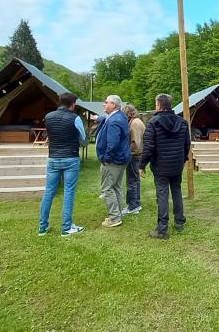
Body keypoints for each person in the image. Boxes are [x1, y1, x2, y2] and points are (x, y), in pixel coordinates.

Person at [139, 93, 191, 239]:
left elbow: (148, 147)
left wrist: (142, 165)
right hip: (176, 164)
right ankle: (180, 221)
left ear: (159, 105)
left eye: (156, 103)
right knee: (176, 191)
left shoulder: (153, 122)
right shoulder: (182, 122)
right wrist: (183, 158)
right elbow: (187, 144)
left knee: (162, 195)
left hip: (161, 166)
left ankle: (162, 229)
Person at [38, 92, 88, 236]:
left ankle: (43, 227)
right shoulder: (75, 118)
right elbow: (83, 138)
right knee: (69, 191)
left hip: (53, 157)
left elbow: (50, 135)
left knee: (49, 192)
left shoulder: (48, 117)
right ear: (73, 104)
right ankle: (66, 228)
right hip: (70, 157)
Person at [95, 94, 131, 227]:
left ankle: (115, 218)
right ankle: (118, 214)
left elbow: (113, 143)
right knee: (116, 187)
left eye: (106, 102)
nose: (104, 104)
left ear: (114, 105)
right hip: (120, 159)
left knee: (107, 189)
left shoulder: (115, 120)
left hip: (113, 161)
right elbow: (105, 119)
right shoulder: (119, 116)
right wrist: (98, 118)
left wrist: (106, 158)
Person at [122, 104, 145, 215]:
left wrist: (128, 153)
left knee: (132, 181)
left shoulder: (135, 123)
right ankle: (136, 203)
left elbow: (135, 143)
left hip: (134, 156)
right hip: (137, 156)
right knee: (135, 180)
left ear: (128, 113)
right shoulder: (136, 121)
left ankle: (132, 206)